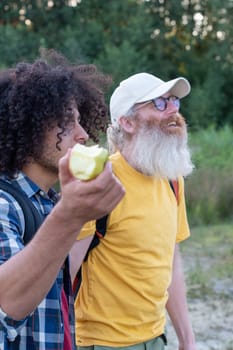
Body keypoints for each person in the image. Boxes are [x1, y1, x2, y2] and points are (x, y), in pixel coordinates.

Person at [0, 50, 125, 350]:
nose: (83, 134)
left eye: (81, 121)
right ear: (30, 123)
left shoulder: (51, 202)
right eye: (67, 121)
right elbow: (6, 304)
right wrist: (71, 215)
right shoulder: (4, 202)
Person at [71, 72, 197, 350]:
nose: (174, 111)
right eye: (159, 104)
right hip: (103, 343)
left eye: (174, 101)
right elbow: (62, 273)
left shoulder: (171, 178)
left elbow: (170, 261)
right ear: (127, 122)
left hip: (156, 338)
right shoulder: (100, 180)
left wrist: (186, 337)